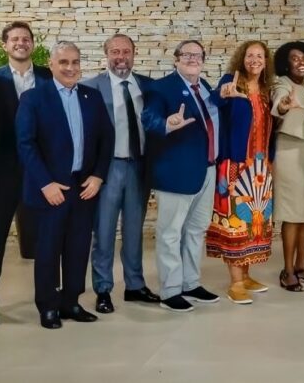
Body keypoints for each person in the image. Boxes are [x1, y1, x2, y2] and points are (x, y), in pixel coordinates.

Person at [16, 41, 114, 329]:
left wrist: (98, 176)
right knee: (48, 250)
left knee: (78, 248)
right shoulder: (33, 98)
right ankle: (48, 306)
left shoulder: (91, 96)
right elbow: (25, 144)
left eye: (75, 62)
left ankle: (71, 302)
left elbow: (106, 139)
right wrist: (45, 183)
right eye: (64, 62)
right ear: (51, 64)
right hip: (50, 189)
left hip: (84, 187)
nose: (70, 68)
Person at [81, 34, 160, 315]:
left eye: (126, 51)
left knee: (134, 231)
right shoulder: (90, 87)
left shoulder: (148, 86)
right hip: (108, 167)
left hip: (139, 166)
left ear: (134, 54)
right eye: (115, 52)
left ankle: (135, 285)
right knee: (103, 231)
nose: (121, 57)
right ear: (106, 54)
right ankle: (103, 289)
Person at [142, 40, 223, 312]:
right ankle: (170, 291)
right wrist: (166, 123)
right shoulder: (161, 87)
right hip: (176, 172)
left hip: (207, 169)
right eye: (186, 54)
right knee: (170, 233)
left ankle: (190, 283)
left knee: (196, 230)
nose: (192, 59)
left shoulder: (205, 86)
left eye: (197, 55)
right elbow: (149, 119)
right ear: (176, 59)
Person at [0, 20, 51, 315]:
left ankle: (48, 297)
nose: (21, 43)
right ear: (5, 45)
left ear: (32, 43)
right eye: (15, 39)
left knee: (47, 237)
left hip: (41, 170)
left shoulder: (48, 76)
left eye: (26, 38)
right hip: (1, 172)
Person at [207, 40, 275, 305]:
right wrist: (223, 95)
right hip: (236, 165)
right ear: (241, 59)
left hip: (261, 168)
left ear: (266, 61)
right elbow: (214, 102)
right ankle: (235, 283)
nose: (254, 60)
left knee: (252, 225)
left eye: (259, 56)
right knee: (235, 225)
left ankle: (245, 276)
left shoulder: (267, 90)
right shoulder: (230, 81)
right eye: (250, 55)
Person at [270, 41, 304, 292]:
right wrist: (283, 105)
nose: (301, 62)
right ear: (285, 63)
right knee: (292, 214)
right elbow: (279, 103)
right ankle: (288, 270)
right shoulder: (283, 83)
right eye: (295, 58)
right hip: (290, 153)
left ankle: (302, 265)